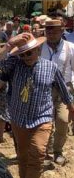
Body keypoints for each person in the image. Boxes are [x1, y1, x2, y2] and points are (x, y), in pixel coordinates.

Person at [0, 33, 74, 178]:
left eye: (29, 53)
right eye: (22, 54)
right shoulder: (15, 65)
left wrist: (71, 107)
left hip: (42, 117)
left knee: (37, 152)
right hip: (18, 118)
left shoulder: (51, 67)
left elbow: (63, 90)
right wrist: (9, 45)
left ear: (37, 50)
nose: (25, 57)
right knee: (22, 155)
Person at [39, 18, 74, 165]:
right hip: (44, 89)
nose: (51, 32)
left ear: (62, 30)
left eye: (54, 30)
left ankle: (58, 150)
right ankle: (47, 152)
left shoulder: (70, 47)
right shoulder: (39, 47)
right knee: (46, 122)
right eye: (48, 30)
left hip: (64, 90)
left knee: (62, 120)